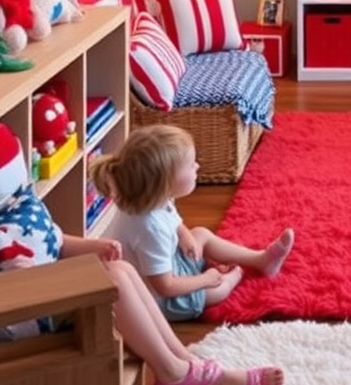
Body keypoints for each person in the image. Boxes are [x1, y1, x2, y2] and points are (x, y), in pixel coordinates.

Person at [0, 120, 282, 385]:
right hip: (27, 317)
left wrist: (94, 246)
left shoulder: (21, 206)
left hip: (43, 296)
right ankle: (177, 372)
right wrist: (20, 280)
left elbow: (56, 241)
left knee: (122, 269)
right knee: (118, 279)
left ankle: (187, 363)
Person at [91, 123, 294, 321]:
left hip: (169, 266)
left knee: (200, 234)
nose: (197, 166)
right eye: (190, 164)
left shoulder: (154, 198)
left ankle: (261, 259)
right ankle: (236, 274)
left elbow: (174, 222)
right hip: (158, 300)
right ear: (165, 182)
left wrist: (184, 235)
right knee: (215, 290)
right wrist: (205, 279)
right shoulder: (150, 228)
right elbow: (165, 287)